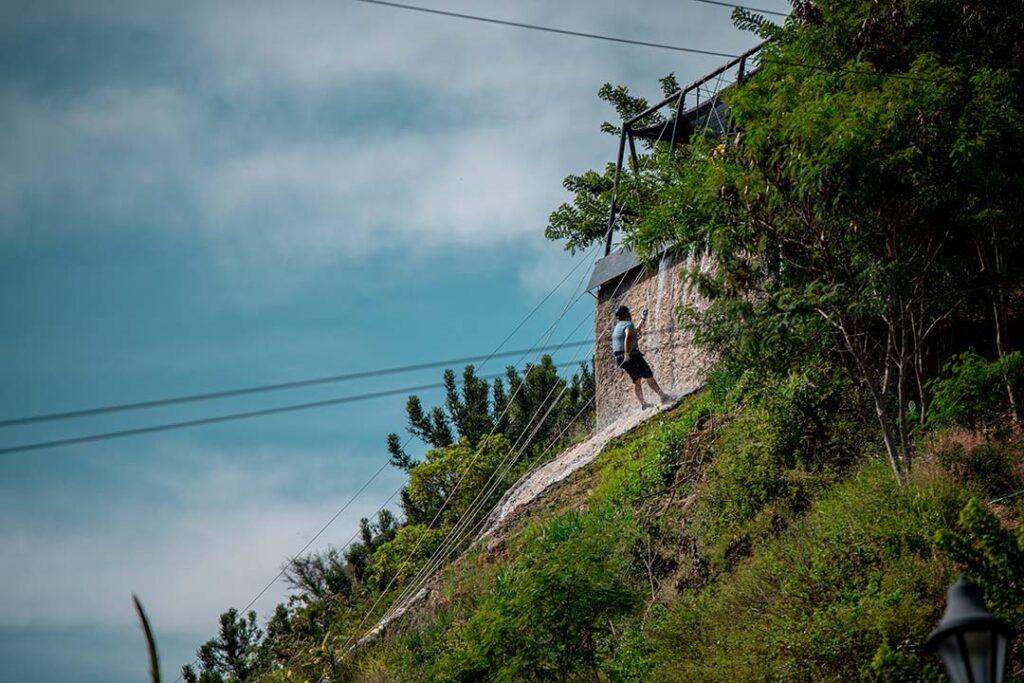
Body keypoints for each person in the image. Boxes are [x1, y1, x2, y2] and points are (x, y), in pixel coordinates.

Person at [611, 305, 671, 409]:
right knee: (648, 375)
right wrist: (627, 353)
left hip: (620, 358)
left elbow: (635, 331)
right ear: (625, 314)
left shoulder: (618, 327)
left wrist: (643, 319)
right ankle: (662, 396)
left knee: (636, 380)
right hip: (631, 355)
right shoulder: (628, 324)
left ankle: (643, 404)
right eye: (628, 312)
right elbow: (629, 337)